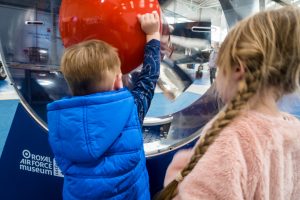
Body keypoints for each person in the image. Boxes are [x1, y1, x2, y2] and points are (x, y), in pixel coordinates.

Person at [155, 6, 300, 200]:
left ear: (237, 69)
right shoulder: (294, 130)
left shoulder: (231, 140)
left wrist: (178, 173)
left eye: (220, 65)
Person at [47, 11, 160, 200]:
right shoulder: (132, 110)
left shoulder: (59, 123)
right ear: (118, 80)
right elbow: (149, 79)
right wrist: (152, 34)